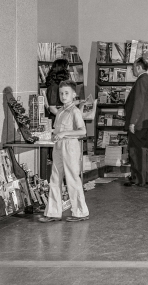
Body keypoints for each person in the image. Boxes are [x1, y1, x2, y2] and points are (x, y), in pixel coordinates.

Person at [39, 80, 89, 222]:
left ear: (74, 94)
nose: (63, 96)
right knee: (55, 179)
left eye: (66, 93)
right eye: (61, 93)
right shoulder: (60, 111)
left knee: (72, 179)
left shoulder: (75, 111)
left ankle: (80, 212)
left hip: (70, 147)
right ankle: (53, 212)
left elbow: (83, 131)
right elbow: (57, 130)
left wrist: (64, 133)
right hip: (58, 147)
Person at [123, 57, 148, 187]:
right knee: (147, 150)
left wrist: (132, 122)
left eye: (134, 68)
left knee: (136, 150)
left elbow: (138, 103)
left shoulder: (141, 82)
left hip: (139, 122)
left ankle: (138, 179)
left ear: (139, 67)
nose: (133, 70)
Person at [44, 58, 71, 122]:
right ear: (62, 70)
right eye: (67, 68)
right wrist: (64, 118)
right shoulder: (53, 87)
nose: (69, 70)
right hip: (56, 121)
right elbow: (52, 108)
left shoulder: (61, 85)